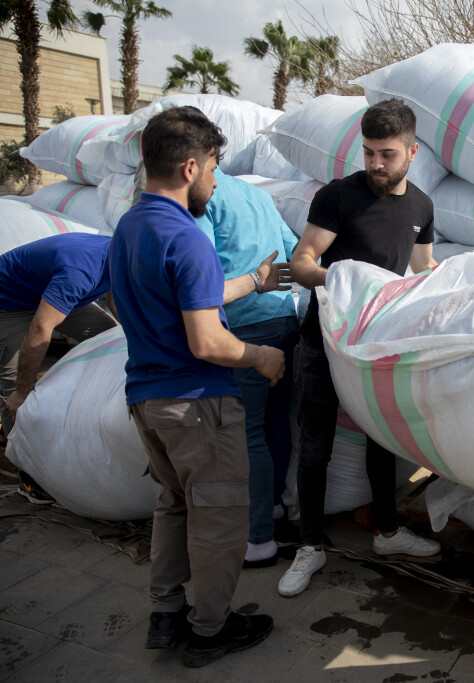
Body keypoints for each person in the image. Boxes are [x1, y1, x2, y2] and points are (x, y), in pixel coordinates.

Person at [108, 105, 288, 668]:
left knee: (175, 506)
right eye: (213, 167)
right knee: (219, 519)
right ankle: (210, 629)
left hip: (147, 400)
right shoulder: (187, 237)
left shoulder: (130, 227)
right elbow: (207, 340)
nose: (215, 179)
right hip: (197, 406)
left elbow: (175, 299)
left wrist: (255, 280)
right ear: (190, 167)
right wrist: (260, 355)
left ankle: (166, 613)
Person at [278, 98, 440, 598]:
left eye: (387, 154)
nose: (375, 163)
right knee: (316, 447)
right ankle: (310, 545)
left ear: (412, 152)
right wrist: (348, 279)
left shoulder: (421, 206)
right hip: (323, 342)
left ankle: (387, 533)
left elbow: (423, 268)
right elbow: (302, 261)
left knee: (382, 443)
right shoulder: (338, 196)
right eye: (369, 152)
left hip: (377, 345)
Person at [195, 168, 300, 569]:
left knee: (248, 431)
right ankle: (271, 505)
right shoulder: (255, 194)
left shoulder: (203, 198)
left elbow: (199, 279)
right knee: (273, 419)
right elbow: (292, 257)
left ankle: (258, 538)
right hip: (281, 319)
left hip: (243, 328)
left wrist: (252, 283)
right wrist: (274, 284)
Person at [0, 232, 119, 504]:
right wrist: (22, 390)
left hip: (50, 293)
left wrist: (127, 338)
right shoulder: (80, 271)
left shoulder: (123, 255)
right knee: (16, 392)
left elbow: (115, 299)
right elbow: (41, 327)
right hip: (8, 304)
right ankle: (30, 477)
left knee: (110, 339)